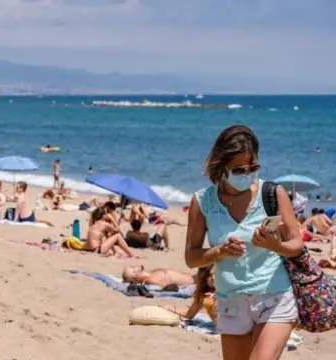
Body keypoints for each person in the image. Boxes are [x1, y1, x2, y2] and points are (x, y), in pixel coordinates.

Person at [185, 125, 302, 360]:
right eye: (239, 169)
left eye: (254, 167)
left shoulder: (273, 193)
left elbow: (296, 244)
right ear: (221, 166)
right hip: (231, 299)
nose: (247, 174)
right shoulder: (203, 201)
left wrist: (275, 246)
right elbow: (191, 258)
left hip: (275, 295)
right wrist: (220, 251)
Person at [122, 264, 194, 288]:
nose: (135, 265)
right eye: (132, 267)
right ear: (135, 275)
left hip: (194, 277)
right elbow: (166, 286)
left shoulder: (150, 273)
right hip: (193, 282)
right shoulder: (149, 280)